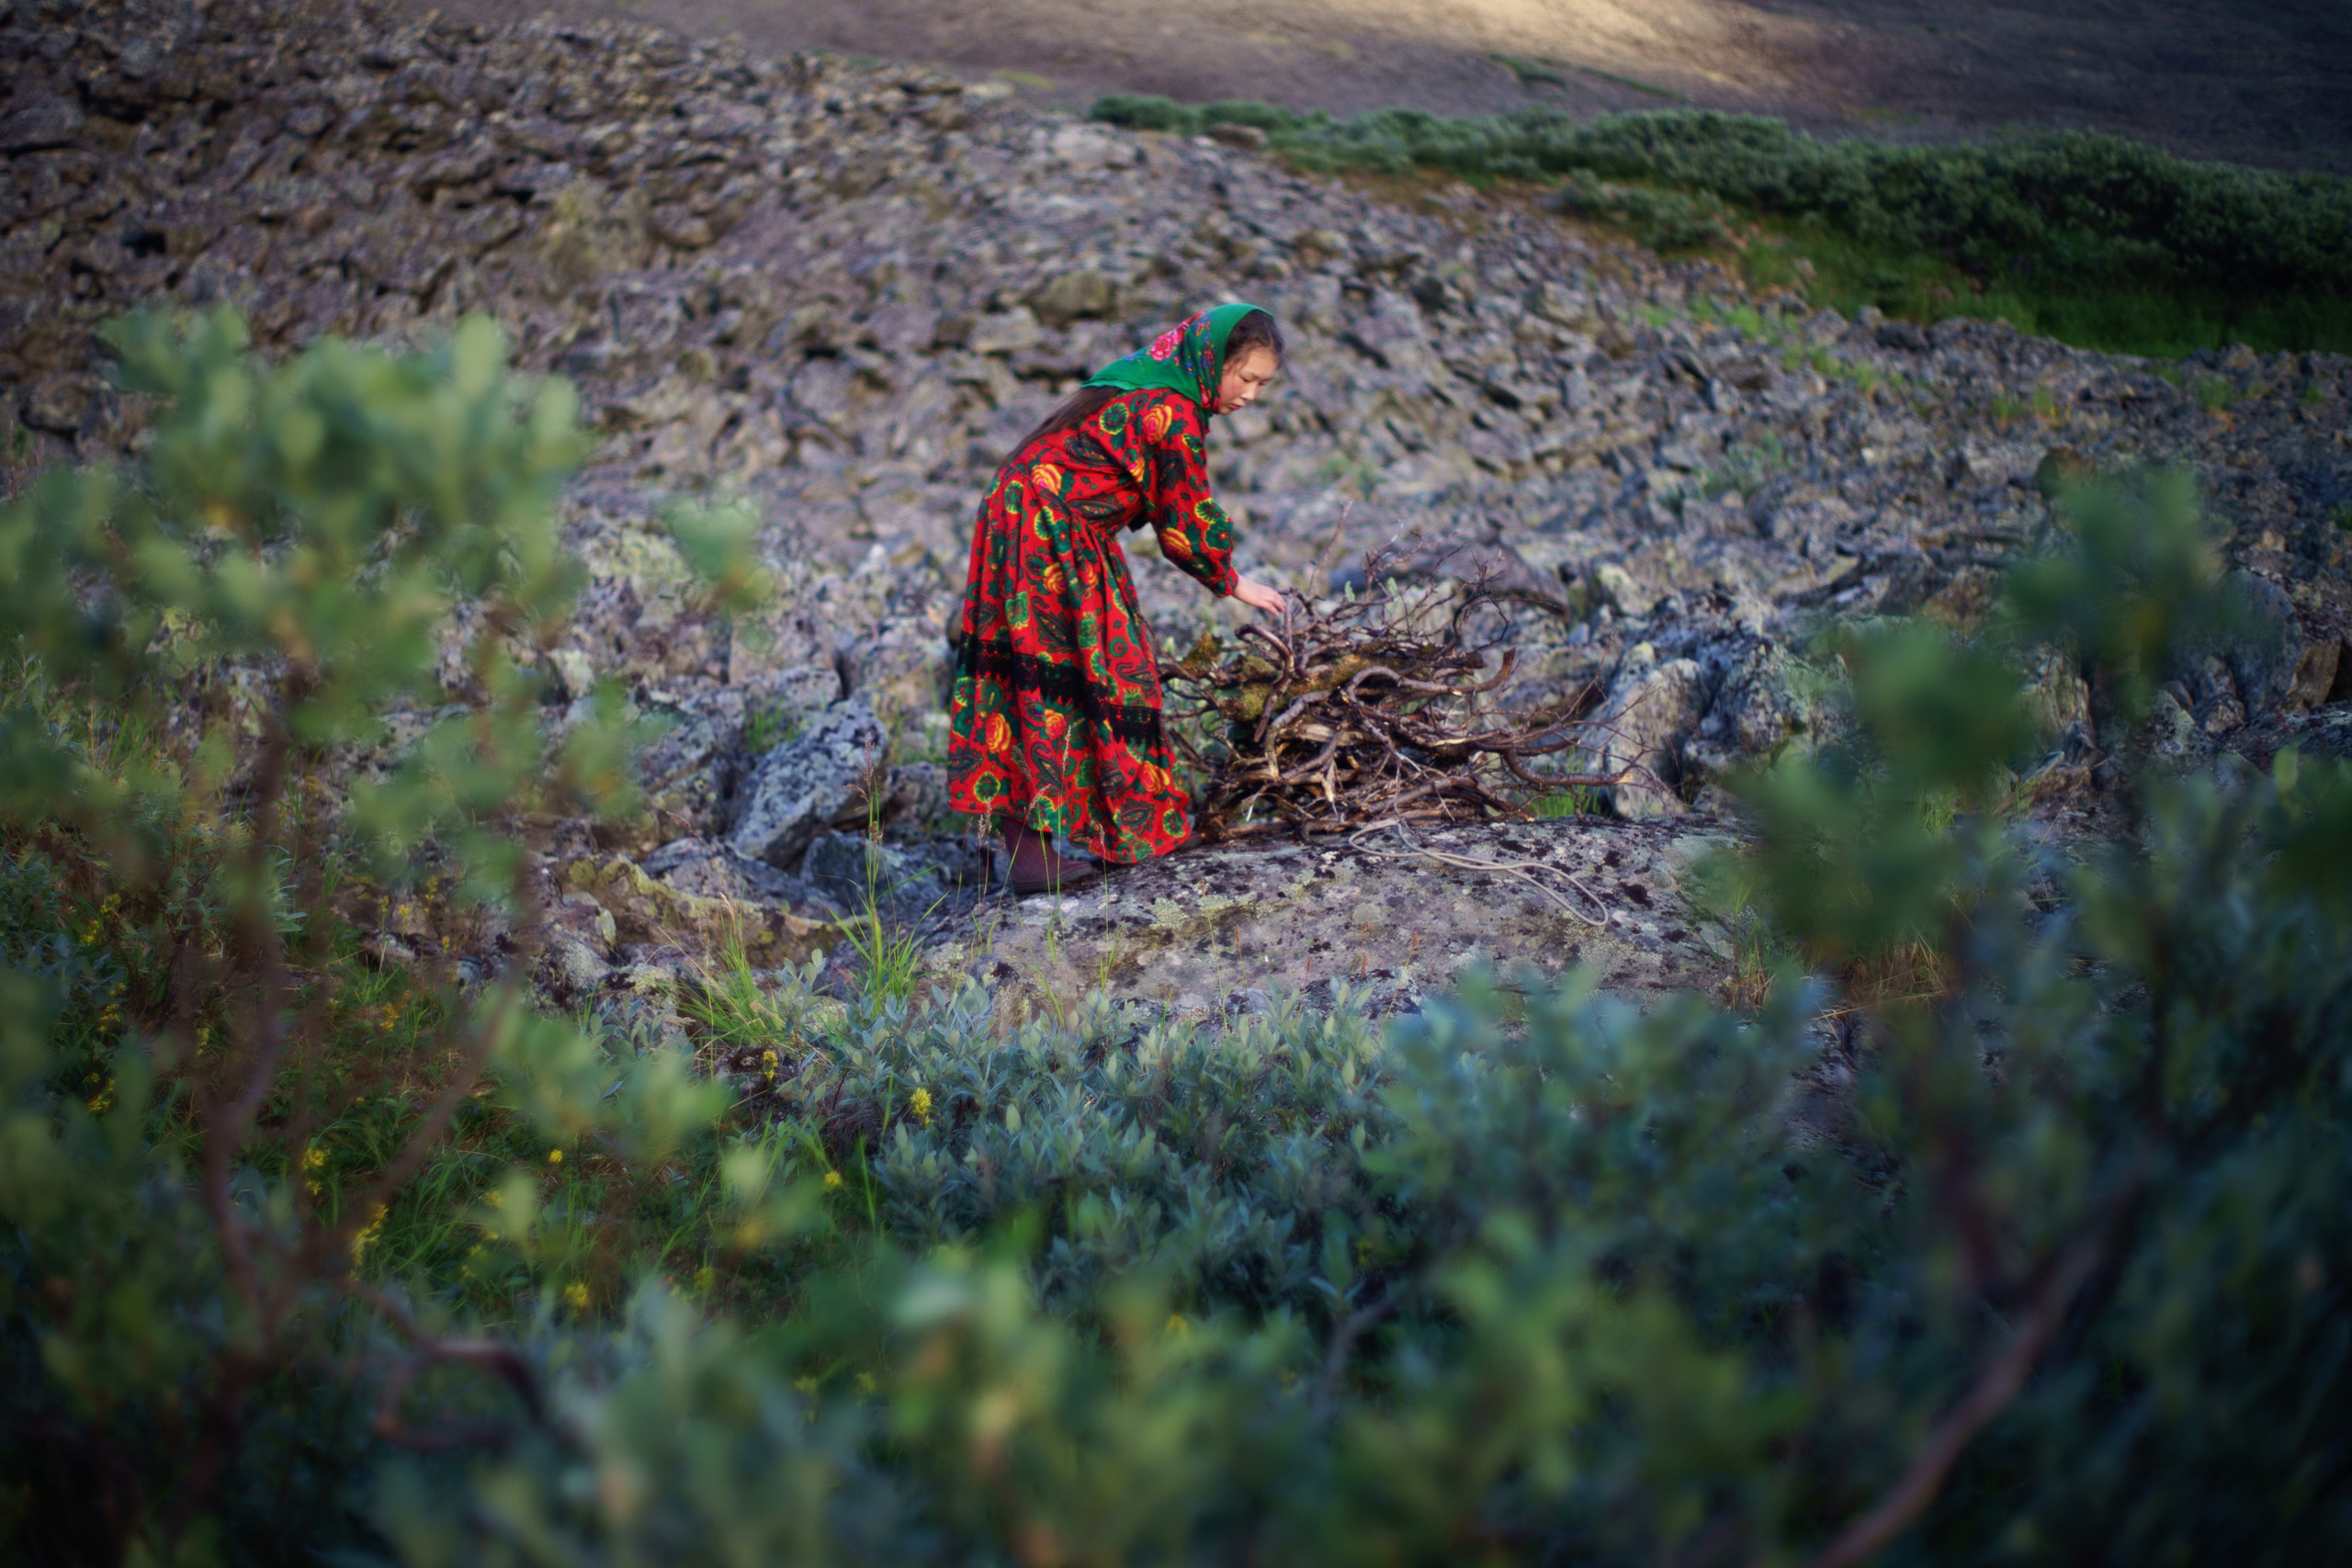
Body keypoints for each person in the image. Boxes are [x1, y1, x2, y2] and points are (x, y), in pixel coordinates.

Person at [945, 302, 1289, 891]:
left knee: (1035, 673)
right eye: (1247, 377)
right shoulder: (1169, 409)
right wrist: (1236, 583)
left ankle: (1077, 841)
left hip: (1026, 514)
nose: (1251, 395)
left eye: (1263, 384)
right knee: (1093, 671)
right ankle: (1118, 835)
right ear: (1213, 362)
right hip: (1049, 527)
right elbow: (1183, 522)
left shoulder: (1143, 383)